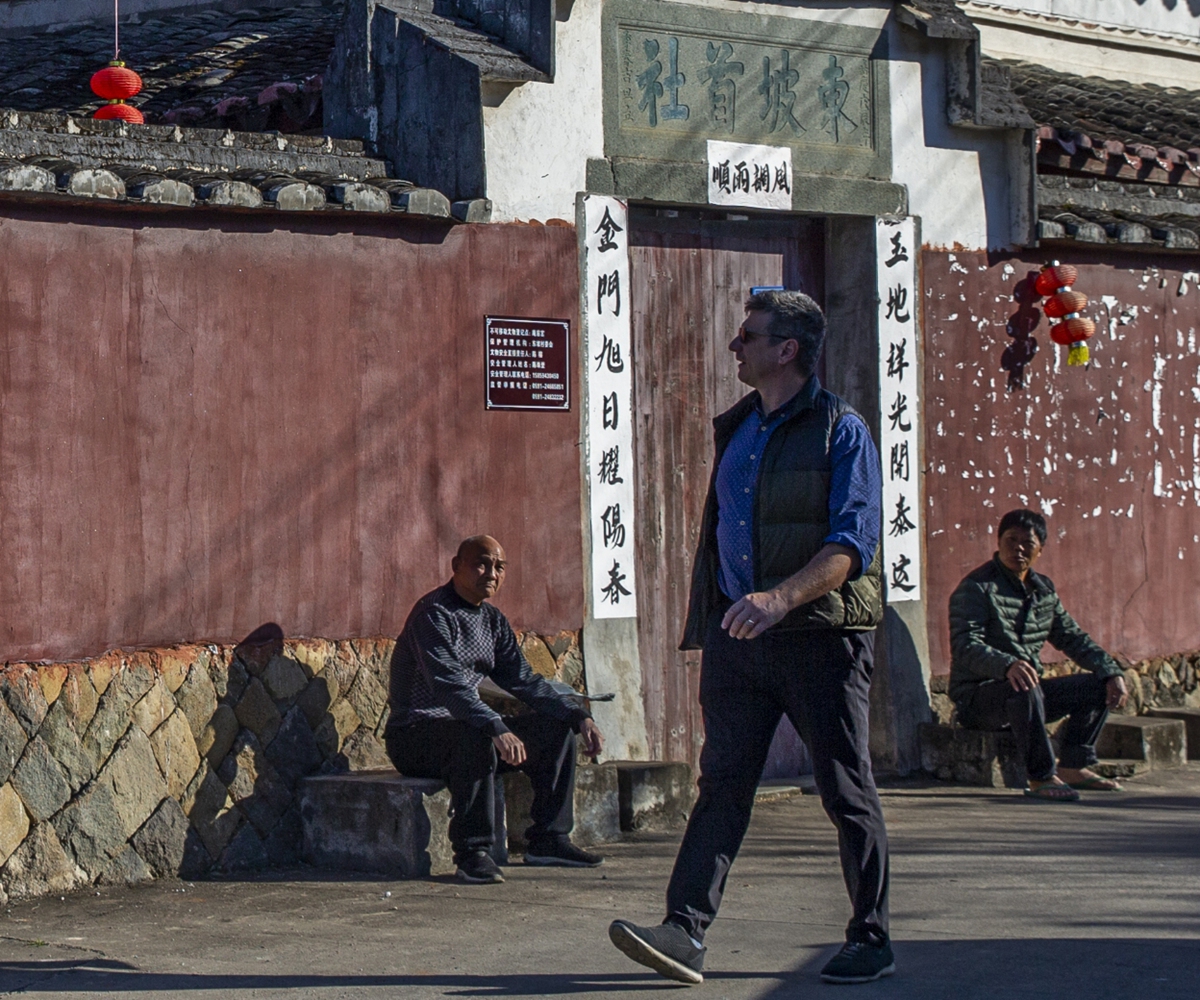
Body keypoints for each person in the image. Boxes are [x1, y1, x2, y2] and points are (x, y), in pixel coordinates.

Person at [609, 291, 892, 986]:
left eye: (749, 336)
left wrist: (781, 597)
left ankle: (872, 936)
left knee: (844, 787)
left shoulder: (840, 431)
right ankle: (684, 930)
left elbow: (851, 545)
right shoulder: (739, 429)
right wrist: (734, 609)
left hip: (820, 638)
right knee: (723, 785)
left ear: (787, 349)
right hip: (739, 635)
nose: (736, 347)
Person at [384, 535, 606, 883]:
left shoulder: (493, 620)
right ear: (456, 566)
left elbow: (524, 680)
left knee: (555, 731)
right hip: (415, 735)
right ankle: (473, 853)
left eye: (499, 567)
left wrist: (578, 715)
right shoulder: (433, 614)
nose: (491, 573)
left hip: (468, 729)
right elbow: (449, 686)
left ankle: (548, 840)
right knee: (475, 734)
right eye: (481, 563)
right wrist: (495, 726)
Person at [948, 508, 1128, 802]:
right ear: (998, 541)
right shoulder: (976, 588)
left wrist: (1111, 671)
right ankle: (1041, 776)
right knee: (1023, 685)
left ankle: (1073, 766)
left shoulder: (1043, 591)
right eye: (1011, 540)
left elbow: (1072, 638)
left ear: (1040, 550)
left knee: (1098, 685)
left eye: (1027, 543)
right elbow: (966, 645)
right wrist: (1006, 665)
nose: (1018, 548)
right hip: (979, 697)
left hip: (1027, 692)